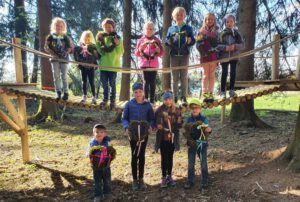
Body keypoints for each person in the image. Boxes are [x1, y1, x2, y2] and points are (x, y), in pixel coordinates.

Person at [122, 82, 154, 191]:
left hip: (144, 133)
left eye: (140, 91)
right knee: (134, 155)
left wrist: (150, 126)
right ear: (133, 93)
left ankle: (141, 178)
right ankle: (135, 180)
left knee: (142, 156)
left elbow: (152, 119)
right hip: (133, 134)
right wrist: (126, 128)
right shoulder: (129, 104)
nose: (138, 94)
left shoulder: (148, 105)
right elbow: (125, 118)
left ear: (143, 92)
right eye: (136, 92)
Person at [165, 7, 195, 104]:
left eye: (181, 15)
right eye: (177, 15)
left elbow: (193, 40)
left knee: (184, 77)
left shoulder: (188, 28)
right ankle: (175, 97)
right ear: (174, 16)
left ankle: (184, 97)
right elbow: (167, 40)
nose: (179, 16)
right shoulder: (171, 28)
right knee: (175, 77)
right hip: (173, 55)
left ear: (184, 16)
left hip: (184, 55)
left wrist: (190, 41)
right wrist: (168, 42)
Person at [154, 91, 182, 188]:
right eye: (166, 99)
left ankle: (169, 176)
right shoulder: (159, 110)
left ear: (172, 99)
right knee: (164, 158)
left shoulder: (177, 109)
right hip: (162, 138)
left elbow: (180, 124)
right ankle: (163, 177)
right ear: (163, 100)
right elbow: (154, 122)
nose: (168, 101)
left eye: (170, 99)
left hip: (172, 138)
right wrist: (157, 125)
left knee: (170, 157)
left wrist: (179, 121)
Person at [183, 98, 212, 190]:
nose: (194, 109)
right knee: (191, 164)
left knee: (203, 163)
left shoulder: (204, 119)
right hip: (191, 144)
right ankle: (190, 181)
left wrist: (209, 130)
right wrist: (184, 131)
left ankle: (205, 180)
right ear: (190, 109)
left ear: (200, 109)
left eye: (196, 107)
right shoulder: (188, 119)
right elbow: (185, 131)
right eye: (192, 108)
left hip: (202, 144)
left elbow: (208, 128)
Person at [96, 18, 124, 109]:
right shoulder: (101, 37)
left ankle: (112, 101)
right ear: (103, 28)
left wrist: (118, 44)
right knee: (104, 84)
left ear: (113, 28)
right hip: (103, 66)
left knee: (112, 84)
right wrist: (98, 42)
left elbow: (121, 52)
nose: (108, 28)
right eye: (106, 27)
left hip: (113, 66)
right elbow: (100, 51)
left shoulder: (117, 38)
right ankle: (105, 99)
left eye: (110, 27)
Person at [135, 21, 164, 104]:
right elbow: (136, 53)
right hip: (144, 65)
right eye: (147, 29)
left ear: (154, 30)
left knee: (152, 82)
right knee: (146, 81)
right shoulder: (141, 40)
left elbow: (162, 52)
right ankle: (145, 99)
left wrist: (157, 51)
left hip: (154, 65)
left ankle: (152, 100)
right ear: (144, 29)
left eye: (151, 29)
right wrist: (141, 48)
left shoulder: (156, 40)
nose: (149, 30)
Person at [45, 17, 73, 101]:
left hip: (64, 59)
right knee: (56, 76)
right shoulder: (50, 37)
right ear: (54, 26)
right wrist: (53, 53)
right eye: (57, 26)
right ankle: (58, 92)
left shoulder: (65, 37)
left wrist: (68, 50)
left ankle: (66, 92)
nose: (59, 28)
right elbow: (46, 47)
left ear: (63, 27)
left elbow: (70, 48)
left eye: (61, 26)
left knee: (64, 76)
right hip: (54, 58)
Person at [218, 14, 244, 99]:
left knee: (233, 72)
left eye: (231, 21)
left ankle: (232, 90)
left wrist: (235, 46)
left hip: (234, 56)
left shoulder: (237, 33)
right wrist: (225, 48)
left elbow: (242, 45)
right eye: (227, 22)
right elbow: (217, 45)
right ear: (225, 23)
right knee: (224, 73)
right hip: (224, 56)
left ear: (234, 23)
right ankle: (222, 91)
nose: (229, 23)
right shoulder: (221, 34)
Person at [196, 13, 219, 103]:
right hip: (205, 57)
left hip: (213, 57)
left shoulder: (216, 32)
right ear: (205, 21)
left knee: (212, 76)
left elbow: (217, 44)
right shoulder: (201, 31)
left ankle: (211, 94)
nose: (209, 21)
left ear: (214, 21)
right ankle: (205, 94)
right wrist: (203, 52)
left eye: (211, 19)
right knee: (205, 76)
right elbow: (198, 45)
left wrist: (209, 35)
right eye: (208, 19)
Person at [87, 124, 112, 202]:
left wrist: (110, 157)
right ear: (93, 133)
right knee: (97, 182)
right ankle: (97, 195)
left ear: (105, 134)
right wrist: (89, 156)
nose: (99, 134)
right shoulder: (92, 143)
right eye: (97, 132)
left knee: (107, 180)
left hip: (106, 166)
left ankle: (107, 194)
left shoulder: (107, 142)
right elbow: (88, 152)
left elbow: (111, 151)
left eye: (101, 132)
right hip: (96, 166)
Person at [74, 30, 99, 104]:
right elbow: (77, 57)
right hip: (83, 67)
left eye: (88, 39)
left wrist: (89, 52)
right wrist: (81, 53)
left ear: (90, 39)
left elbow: (96, 57)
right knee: (84, 81)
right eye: (85, 39)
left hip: (90, 67)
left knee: (92, 82)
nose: (87, 40)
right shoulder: (79, 47)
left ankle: (94, 97)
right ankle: (84, 96)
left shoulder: (93, 47)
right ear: (83, 39)